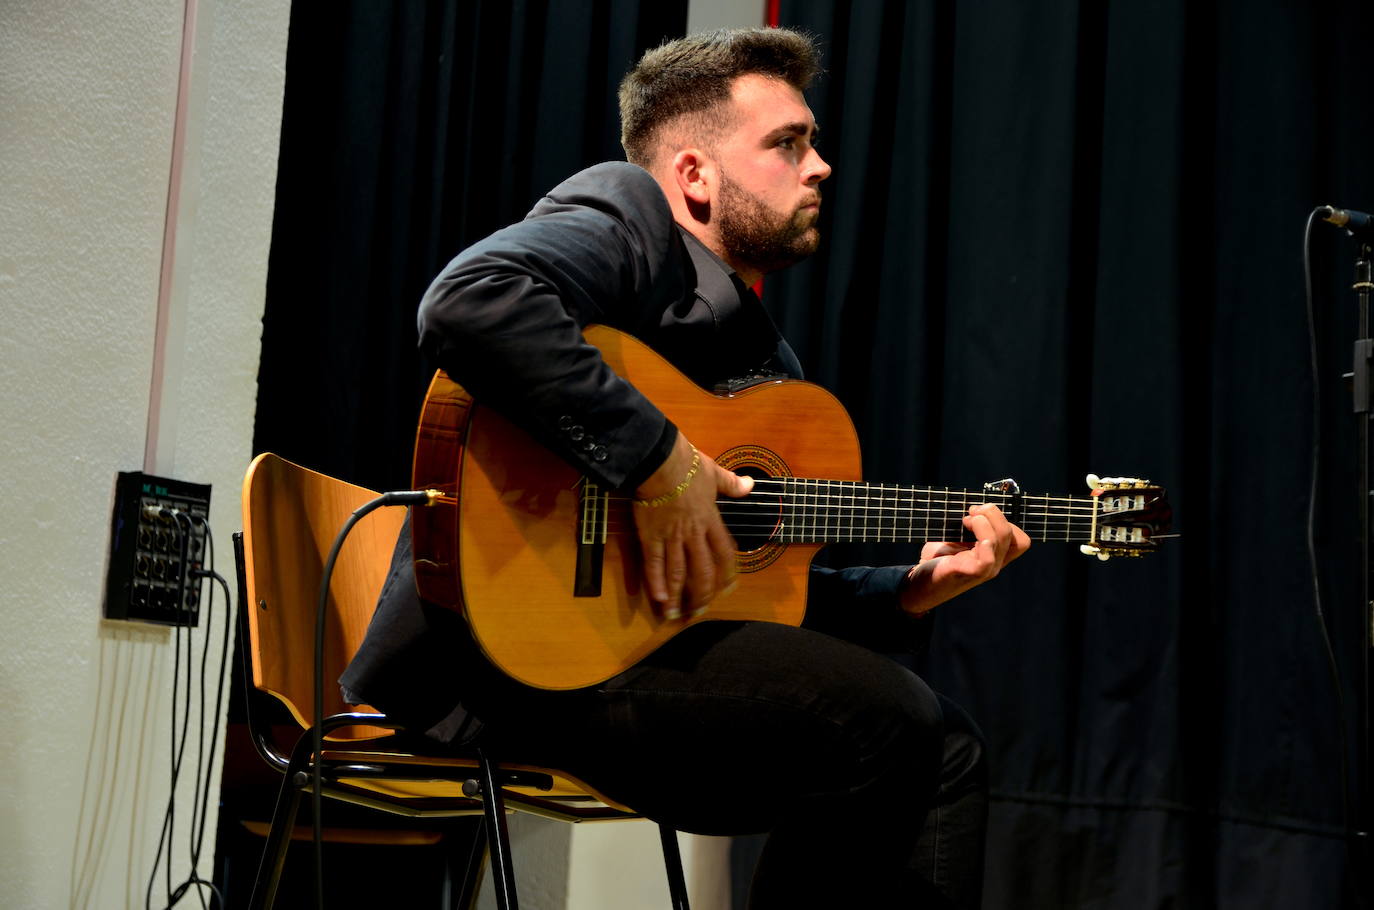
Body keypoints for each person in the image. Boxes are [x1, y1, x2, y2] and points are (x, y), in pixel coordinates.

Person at [342, 27, 1030, 908]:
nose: (820, 166)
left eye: (813, 142)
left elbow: (748, 590)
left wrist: (905, 592)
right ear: (695, 174)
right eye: (788, 143)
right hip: (498, 659)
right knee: (885, 717)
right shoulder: (627, 215)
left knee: (948, 748)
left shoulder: (761, 364)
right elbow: (472, 301)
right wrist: (661, 465)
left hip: (628, 655)